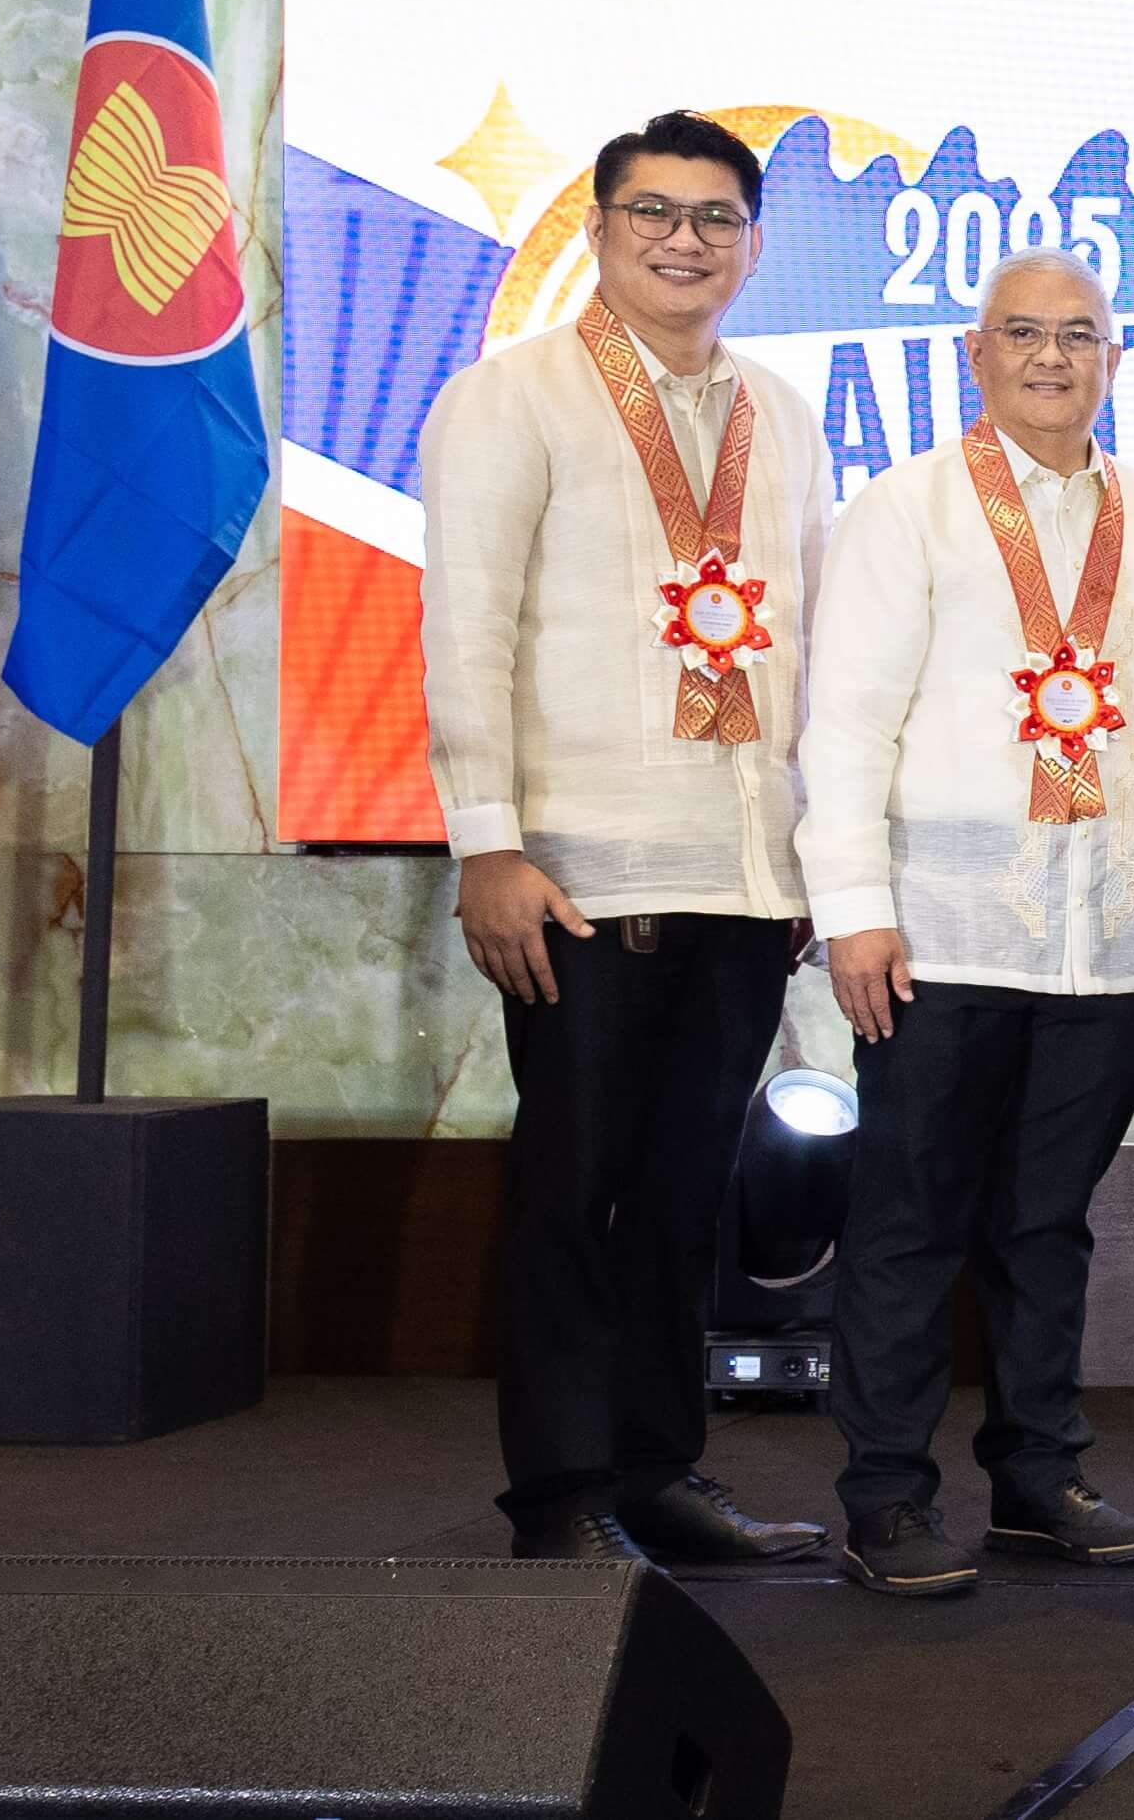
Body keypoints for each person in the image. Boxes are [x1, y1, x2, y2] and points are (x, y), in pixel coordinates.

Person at [416, 110, 831, 1565]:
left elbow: (811, 647)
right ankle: (559, 1496)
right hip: (578, 879)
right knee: (571, 1196)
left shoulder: (781, 411)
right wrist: (486, 843)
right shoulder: (510, 397)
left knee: (683, 1201)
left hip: (743, 876)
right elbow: (466, 631)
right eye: (652, 211)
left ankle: (659, 1471)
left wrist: (807, 857)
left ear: (753, 246)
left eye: (715, 217)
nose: (683, 240)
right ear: (597, 229)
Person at [799, 248, 1134, 1596]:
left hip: (1112, 943)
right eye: (1023, 333)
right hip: (941, 937)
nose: (1050, 356)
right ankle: (886, 1495)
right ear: (974, 354)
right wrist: (853, 910)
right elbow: (845, 722)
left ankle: (1039, 1476)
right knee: (910, 1219)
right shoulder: (905, 508)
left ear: (1114, 359)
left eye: (1078, 335)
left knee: (1048, 1222)